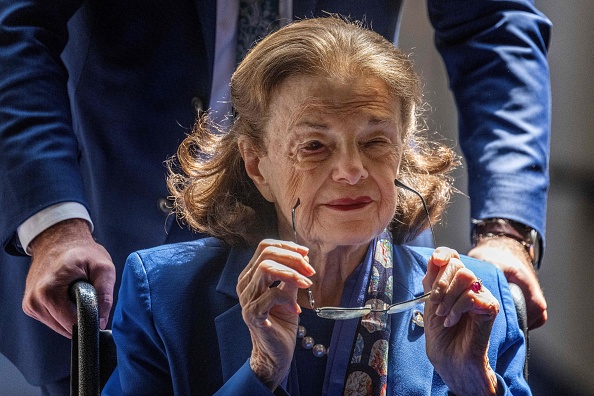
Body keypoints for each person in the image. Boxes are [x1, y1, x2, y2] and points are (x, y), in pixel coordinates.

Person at [0, 1, 549, 393]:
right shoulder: (157, 293)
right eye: (315, 147)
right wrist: (259, 374)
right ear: (256, 164)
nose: (352, 170)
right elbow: (16, 27)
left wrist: (474, 385)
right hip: (121, 215)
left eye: (376, 143)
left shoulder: (473, 303)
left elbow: (495, 26)